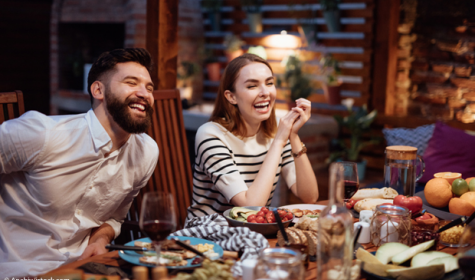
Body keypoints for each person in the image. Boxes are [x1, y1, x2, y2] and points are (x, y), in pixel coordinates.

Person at [0, 48, 159, 277]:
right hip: (20, 270)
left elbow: (115, 217)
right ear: (98, 90)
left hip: (83, 270)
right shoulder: (43, 135)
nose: (144, 93)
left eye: (149, 87)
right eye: (131, 82)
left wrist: (100, 238)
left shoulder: (147, 152)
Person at [186, 53, 318, 222]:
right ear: (231, 96)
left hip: (254, 234)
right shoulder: (210, 135)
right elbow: (250, 206)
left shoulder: (276, 131)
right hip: (208, 235)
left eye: (269, 83)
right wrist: (279, 141)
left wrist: (293, 136)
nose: (265, 92)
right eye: (252, 86)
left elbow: (309, 196)